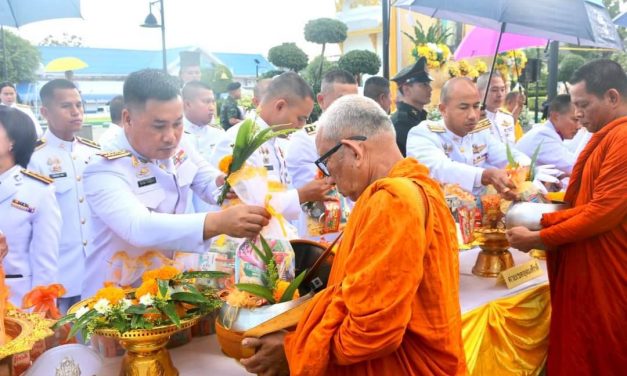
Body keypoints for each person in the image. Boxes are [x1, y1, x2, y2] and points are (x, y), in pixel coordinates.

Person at [240, 95, 466, 376]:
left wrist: (293, 351)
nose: (329, 179)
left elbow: (373, 331)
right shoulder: (418, 186)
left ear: (354, 151)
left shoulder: (393, 200)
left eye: (326, 163)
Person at [81, 69, 270, 297]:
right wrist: (217, 222)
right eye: (159, 126)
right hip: (118, 298)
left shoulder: (178, 145)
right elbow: (138, 227)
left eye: (178, 124)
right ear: (127, 119)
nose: (170, 136)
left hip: (169, 286)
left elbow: (205, 178)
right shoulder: (103, 168)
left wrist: (228, 184)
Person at [507, 59, 627, 375]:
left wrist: (539, 235)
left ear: (613, 98)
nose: (577, 114)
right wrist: (545, 219)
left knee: (599, 355)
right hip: (589, 262)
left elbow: (601, 213)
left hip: (606, 272)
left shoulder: (623, 139)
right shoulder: (608, 135)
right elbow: (587, 205)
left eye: (583, 105)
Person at [212, 71, 332, 223]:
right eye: (300, 118)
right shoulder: (239, 140)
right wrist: (301, 195)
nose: (302, 125)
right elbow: (242, 203)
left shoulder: (276, 141)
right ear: (280, 106)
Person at [28, 79, 100, 313]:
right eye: (66, 106)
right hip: (59, 271)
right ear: (45, 112)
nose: (76, 112)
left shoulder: (94, 153)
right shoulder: (33, 158)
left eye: (79, 105)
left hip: (96, 267)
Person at [406, 77, 528, 197]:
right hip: (443, 213)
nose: (472, 116)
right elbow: (439, 169)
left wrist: (525, 168)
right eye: (464, 108)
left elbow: (509, 156)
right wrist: (484, 176)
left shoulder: (480, 132)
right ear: (443, 110)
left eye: (476, 106)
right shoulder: (423, 134)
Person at [285, 69, 358, 240]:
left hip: (358, 230)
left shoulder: (364, 135)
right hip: (323, 235)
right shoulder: (305, 139)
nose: (350, 108)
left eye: (354, 101)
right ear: (321, 100)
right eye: (341, 101)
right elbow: (313, 192)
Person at [0, 106, 61, 307]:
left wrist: (38, 311)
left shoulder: (37, 190)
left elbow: (45, 260)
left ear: (13, 141)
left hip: (16, 303)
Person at [182, 81, 224, 212]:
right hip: (185, 212)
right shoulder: (176, 135)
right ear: (188, 104)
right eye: (206, 102)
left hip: (213, 209)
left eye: (213, 102)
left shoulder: (219, 134)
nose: (212, 107)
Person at [516, 94, 580, 176]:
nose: (579, 126)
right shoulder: (543, 136)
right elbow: (576, 167)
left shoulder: (545, 132)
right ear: (555, 117)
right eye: (575, 120)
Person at [390, 57, 432, 156]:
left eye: (429, 84)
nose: (430, 89)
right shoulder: (402, 123)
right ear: (406, 90)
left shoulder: (417, 117)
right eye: (424, 85)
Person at [477, 72, 516, 144]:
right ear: (478, 92)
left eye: (502, 89)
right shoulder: (473, 121)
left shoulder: (508, 118)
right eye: (494, 90)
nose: (500, 94)